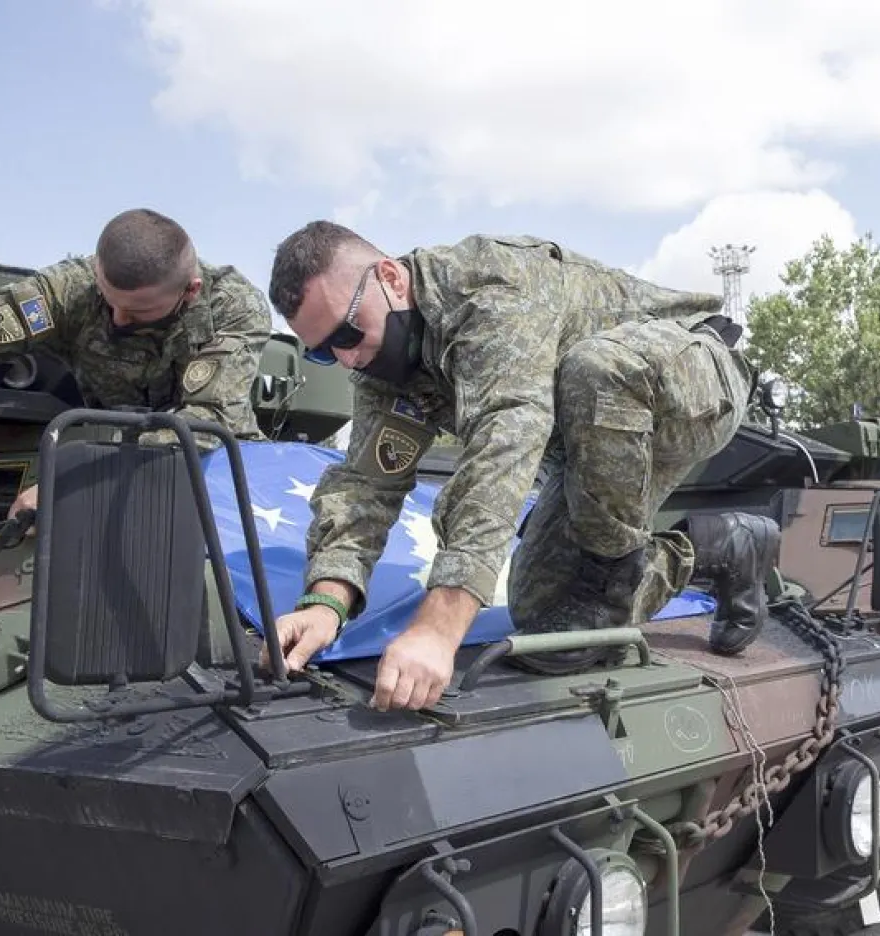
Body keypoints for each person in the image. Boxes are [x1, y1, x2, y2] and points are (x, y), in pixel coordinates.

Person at [262, 223, 780, 712]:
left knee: (596, 372)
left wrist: (439, 629)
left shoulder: (491, 287)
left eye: (348, 335)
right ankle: (721, 546)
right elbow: (365, 487)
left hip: (691, 380)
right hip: (587, 442)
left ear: (391, 279)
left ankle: (614, 572)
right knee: (548, 631)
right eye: (325, 354)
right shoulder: (383, 366)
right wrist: (324, 603)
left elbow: (504, 445)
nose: (347, 360)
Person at [0, 208, 271, 550]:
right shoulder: (71, 288)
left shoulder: (233, 306)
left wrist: (74, 478)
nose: (119, 320)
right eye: (110, 302)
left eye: (138, 311)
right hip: (104, 447)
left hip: (206, 468)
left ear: (190, 290)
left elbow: (208, 420)